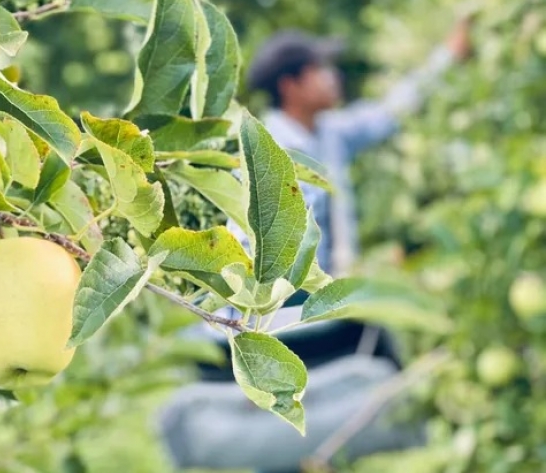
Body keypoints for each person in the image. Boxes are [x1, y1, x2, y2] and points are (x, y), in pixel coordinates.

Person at [159, 19, 471, 473]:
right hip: (272, 310)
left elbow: (388, 113)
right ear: (292, 85)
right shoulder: (269, 151)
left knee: (318, 414)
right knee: (303, 410)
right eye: (321, 69)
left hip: (311, 309)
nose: (333, 77)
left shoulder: (329, 134)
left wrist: (448, 55)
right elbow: (252, 251)